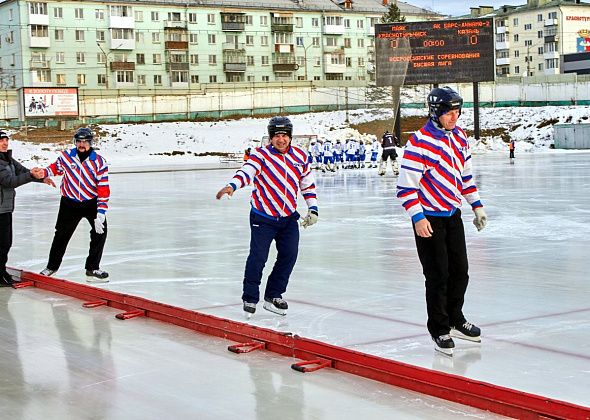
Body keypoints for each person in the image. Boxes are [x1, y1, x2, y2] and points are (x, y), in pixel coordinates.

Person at [396, 86, 488, 356]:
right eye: (450, 112)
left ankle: (456, 319)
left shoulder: (459, 137)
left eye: (458, 111)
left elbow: (465, 177)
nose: (455, 117)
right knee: (438, 276)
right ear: (436, 113)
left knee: (460, 271)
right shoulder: (419, 142)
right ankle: (439, 329)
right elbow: (406, 188)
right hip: (429, 218)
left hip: (452, 214)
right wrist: (418, 217)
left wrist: (477, 207)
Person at [215, 116, 318, 318]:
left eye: (285, 135)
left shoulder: (300, 156)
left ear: (290, 136)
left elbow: (307, 184)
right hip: (263, 217)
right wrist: (232, 186)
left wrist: (313, 209)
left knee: (289, 256)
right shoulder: (260, 156)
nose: (281, 140)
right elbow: (247, 172)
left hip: (288, 218)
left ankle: (273, 296)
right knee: (258, 257)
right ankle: (250, 297)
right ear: (271, 137)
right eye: (277, 135)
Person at [39, 127, 111, 282]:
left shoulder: (99, 161)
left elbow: (103, 187)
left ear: (91, 143)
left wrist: (101, 212)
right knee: (61, 235)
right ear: (75, 142)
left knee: (100, 232)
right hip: (69, 203)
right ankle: (52, 267)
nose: (81, 144)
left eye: (85, 141)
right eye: (79, 141)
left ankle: (92, 268)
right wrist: (43, 173)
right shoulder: (67, 156)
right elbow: (54, 168)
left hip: (90, 202)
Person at [0, 131, 51, 287]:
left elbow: (22, 171)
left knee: (5, 243)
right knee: (2, 243)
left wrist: (41, 177)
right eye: (1, 140)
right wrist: (30, 175)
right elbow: (9, 181)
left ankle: (1, 272)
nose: (5, 143)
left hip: (5, 208)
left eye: (6, 140)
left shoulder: (7, 159)